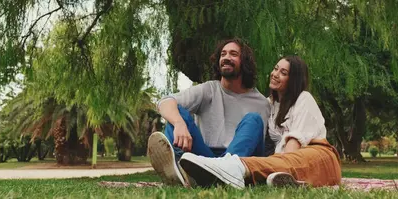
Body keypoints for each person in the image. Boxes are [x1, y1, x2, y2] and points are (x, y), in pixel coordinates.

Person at [177, 56, 342, 189]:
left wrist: (279, 164)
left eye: (283, 72)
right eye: (276, 68)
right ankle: (289, 183)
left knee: (280, 164)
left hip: (317, 157)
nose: (275, 74)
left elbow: (294, 144)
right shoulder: (269, 104)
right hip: (283, 164)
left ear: (294, 79)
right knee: (254, 124)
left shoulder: (303, 98)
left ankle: (233, 166)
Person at [147, 38, 271, 187]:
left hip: (239, 161)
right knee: (178, 111)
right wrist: (179, 123)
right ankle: (183, 168)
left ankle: (222, 173)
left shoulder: (262, 103)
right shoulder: (209, 89)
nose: (226, 57)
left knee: (254, 119)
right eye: (223, 54)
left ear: (245, 61)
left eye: (233, 54)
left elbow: (262, 147)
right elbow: (165, 102)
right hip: (205, 158)